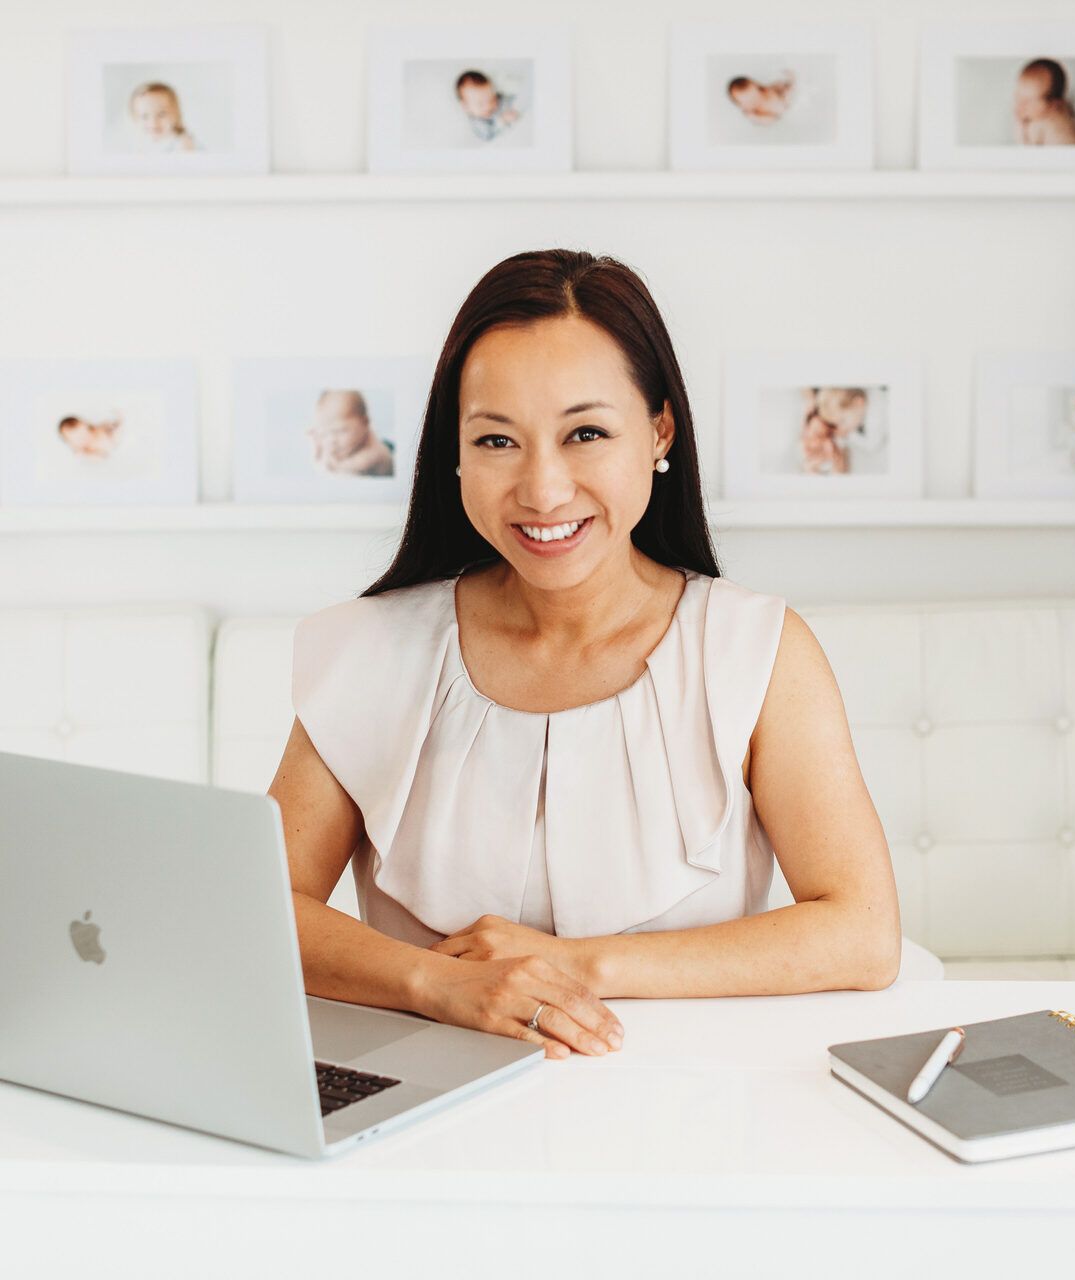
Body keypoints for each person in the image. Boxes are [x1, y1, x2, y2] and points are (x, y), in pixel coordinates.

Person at [269, 249, 901, 1063]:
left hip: (692, 1098)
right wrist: (436, 984)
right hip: (429, 1100)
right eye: (498, 439)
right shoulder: (371, 649)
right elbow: (259, 908)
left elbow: (863, 932)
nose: (543, 490)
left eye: (587, 433)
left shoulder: (756, 650)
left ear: (659, 431)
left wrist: (576, 967)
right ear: (455, 451)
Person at [306, 389, 394, 477]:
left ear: (365, 423)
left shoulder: (372, 454)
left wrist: (331, 462)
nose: (332, 440)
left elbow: (335, 467)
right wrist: (317, 439)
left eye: (340, 431)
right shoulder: (348, 442)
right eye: (326, 433)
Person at [1013, 59, 1075, 146]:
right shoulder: (1065, 113)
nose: (1020, 105)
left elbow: (1024, 147)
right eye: (1018, 97)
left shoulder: (1040, 124)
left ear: (1054, 105)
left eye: (1028, 101)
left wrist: (1020, 124)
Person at [127, 82, 201, 152]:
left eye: (161, 114)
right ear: (135, 118)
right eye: (145, 116)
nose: (153, 122)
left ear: (176, 114)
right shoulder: (142, 145)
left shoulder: (184, 144)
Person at [454, 69, 522, 142]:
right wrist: (502, 121)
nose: (488, 106)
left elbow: (511, 99)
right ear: (466, 107)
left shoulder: (499, 99)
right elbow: (487, 135)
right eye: (480, 104)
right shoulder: (477, 121)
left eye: (491, 99)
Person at [726, 70, 796, 124]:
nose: (755, 102)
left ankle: (790, 81)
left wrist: (785, 88)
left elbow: (774, 88)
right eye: (749, 102)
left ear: (759, 88)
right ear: (740, 105)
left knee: (784, 88)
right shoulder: (754, 114)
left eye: (755, 97)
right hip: (780, 111)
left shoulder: (766, 90)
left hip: (783, 99)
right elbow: (768, 120)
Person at [57, 412, 122, 458]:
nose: (83, 439)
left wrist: (114, 426)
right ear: (71, 444)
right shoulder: (87, 452)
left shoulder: (98, 430)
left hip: (115, 440)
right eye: (77, 439)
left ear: (87, 426)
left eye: (83, 434)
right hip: (111, 452)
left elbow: (111, 426)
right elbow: (101, 457)